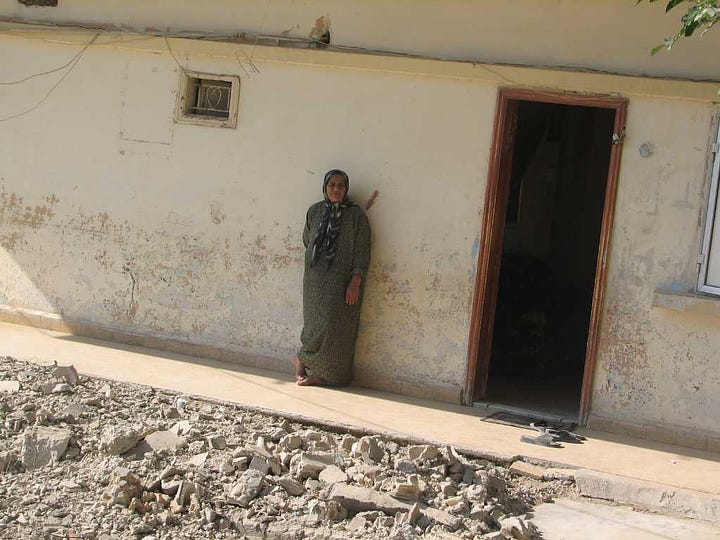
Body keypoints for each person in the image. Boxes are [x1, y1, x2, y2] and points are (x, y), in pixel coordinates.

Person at [292, 169, 371, 386]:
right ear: (325, 188)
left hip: (342, 283)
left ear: (346, 189)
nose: (336, 189)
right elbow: (307, 240)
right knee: (314, 324)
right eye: (331, 185)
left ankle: (327, 374)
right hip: (315, 280)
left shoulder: (356, 216)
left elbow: (362, 251)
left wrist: (355, 282)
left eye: (341, 186)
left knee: (336, 327)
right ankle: (302, 361)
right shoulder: (315, 211)